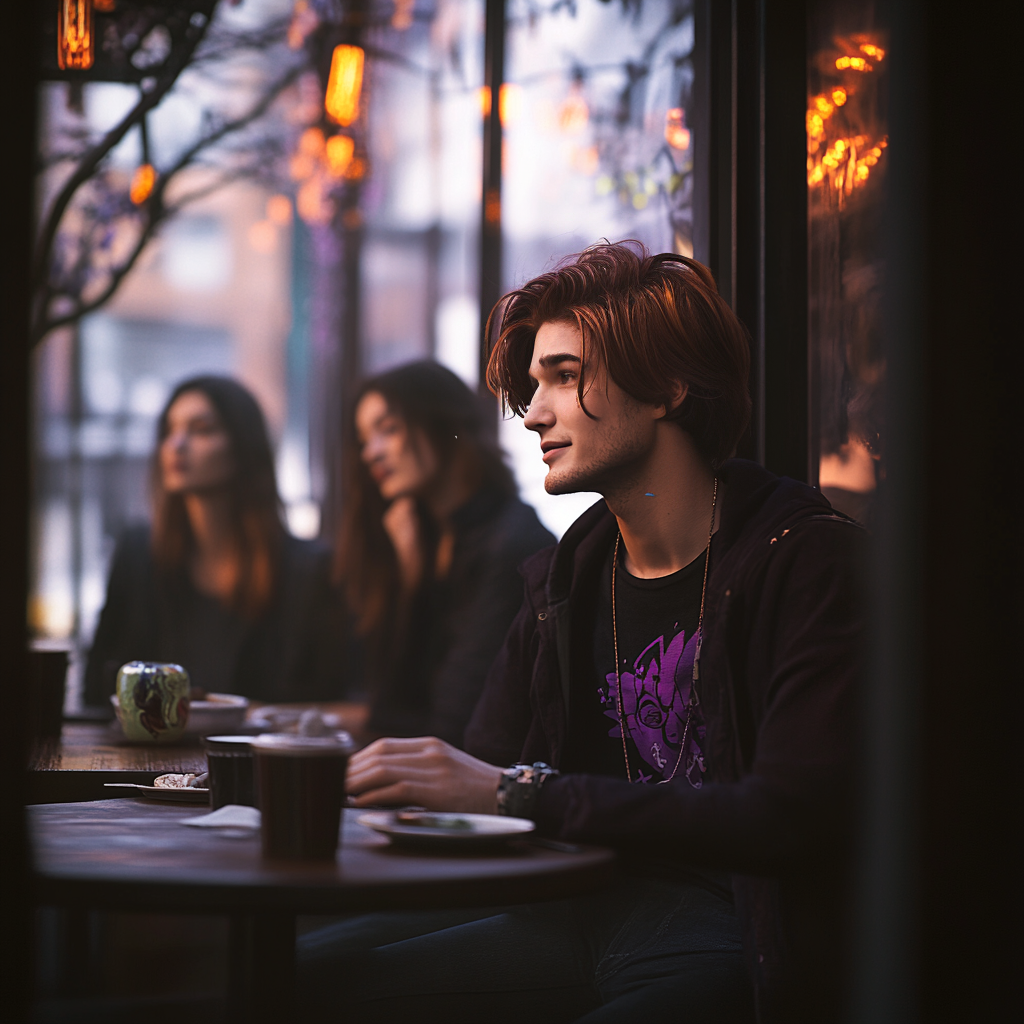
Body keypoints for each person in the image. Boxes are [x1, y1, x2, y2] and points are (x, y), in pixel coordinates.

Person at [299, 243, 866, 1023]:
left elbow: (785, 816)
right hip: (575, 901)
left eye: (565, 377)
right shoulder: (566, 578)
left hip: (736, 925)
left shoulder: (803, 561)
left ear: (669, 386)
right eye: (535, 385)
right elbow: (481, 769)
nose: (534, 414)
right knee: (297, 975)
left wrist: (514, 791)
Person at [84, 375, 342, 707]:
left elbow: (339, 703)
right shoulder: (136, 556)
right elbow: (96, 690)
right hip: (145, 757)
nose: (177, 444)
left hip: (253, 757)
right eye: (169, 431)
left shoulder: (308, 571)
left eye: (201, 429)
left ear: (243, 446)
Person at [334, 360, 554, 746]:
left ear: (446, 424)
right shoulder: (422, 536)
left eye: (388, 429)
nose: (371, 452)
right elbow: (380, 700)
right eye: (365, 438)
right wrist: (408, 582)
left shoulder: (511, 544)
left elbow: (450, 720)